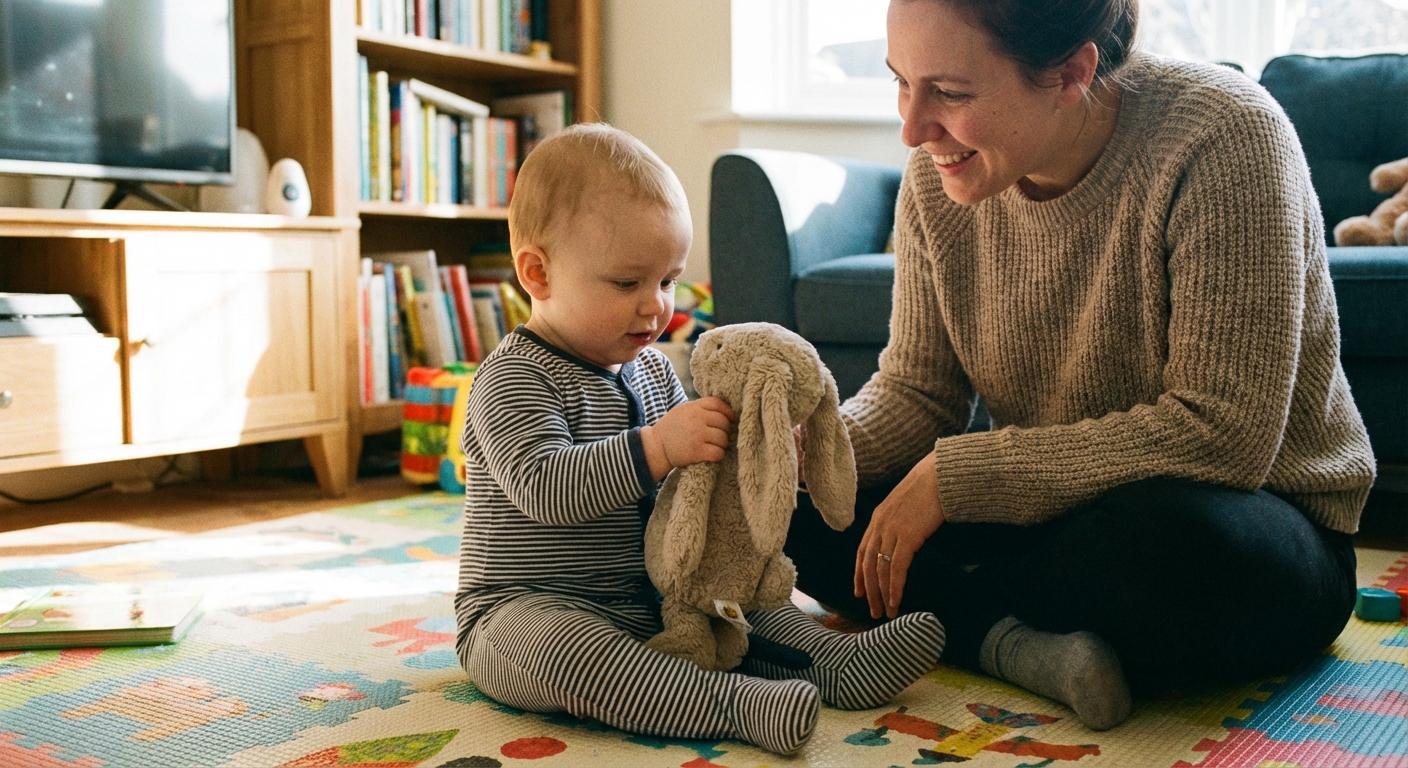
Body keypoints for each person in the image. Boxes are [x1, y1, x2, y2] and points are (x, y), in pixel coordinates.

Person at [787, 0, 1374, 732]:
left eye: (951, 93)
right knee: (797, 501)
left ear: (1070, 73)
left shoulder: (1225, 133)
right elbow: (917, 391)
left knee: (1165, 547)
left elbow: (1224, 435)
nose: (912, 127)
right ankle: (1020, 646)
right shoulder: (935, 174)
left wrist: (955, 476)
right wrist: (803, 450)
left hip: (1246, 525)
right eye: (901, 82)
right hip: (1051, 519)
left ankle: (963, 617)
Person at [453, 123, 946, 756]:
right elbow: (545, 487)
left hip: (656, 592)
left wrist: (753, 449)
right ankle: (732, 705)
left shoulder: (655, 370)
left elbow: (701, 483)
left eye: (668, 281)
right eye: (628, 284)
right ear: (538, 273)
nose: (656, 307)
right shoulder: (514, 377)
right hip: (523, 606)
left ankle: (831, 660)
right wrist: (657, 448)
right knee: (568, 655)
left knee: (739, 591)